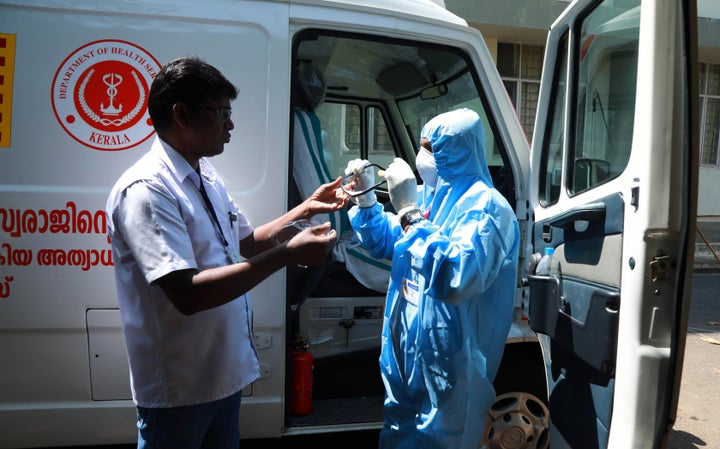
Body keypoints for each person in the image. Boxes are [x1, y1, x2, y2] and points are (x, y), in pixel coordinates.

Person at [106, 56, 344, 449]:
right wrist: (287, 254)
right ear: (181, 115)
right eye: (221, 113)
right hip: (180, 389)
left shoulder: (204, 174)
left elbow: (246, 242)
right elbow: (188, 293)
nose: (230, 125)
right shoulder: (147, 190)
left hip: (220, 379)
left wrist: (306, 208)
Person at [343, 108, 520, 449]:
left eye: (430, 147)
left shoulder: (488, 209)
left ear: (457, 151)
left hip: (452, 364)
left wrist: (409, 213)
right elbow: (387, 242)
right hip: (408, 355)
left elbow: (459, 277)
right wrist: (365, 199)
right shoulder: (432, 197)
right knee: (399, 434)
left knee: (442, 442)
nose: (422, 157)